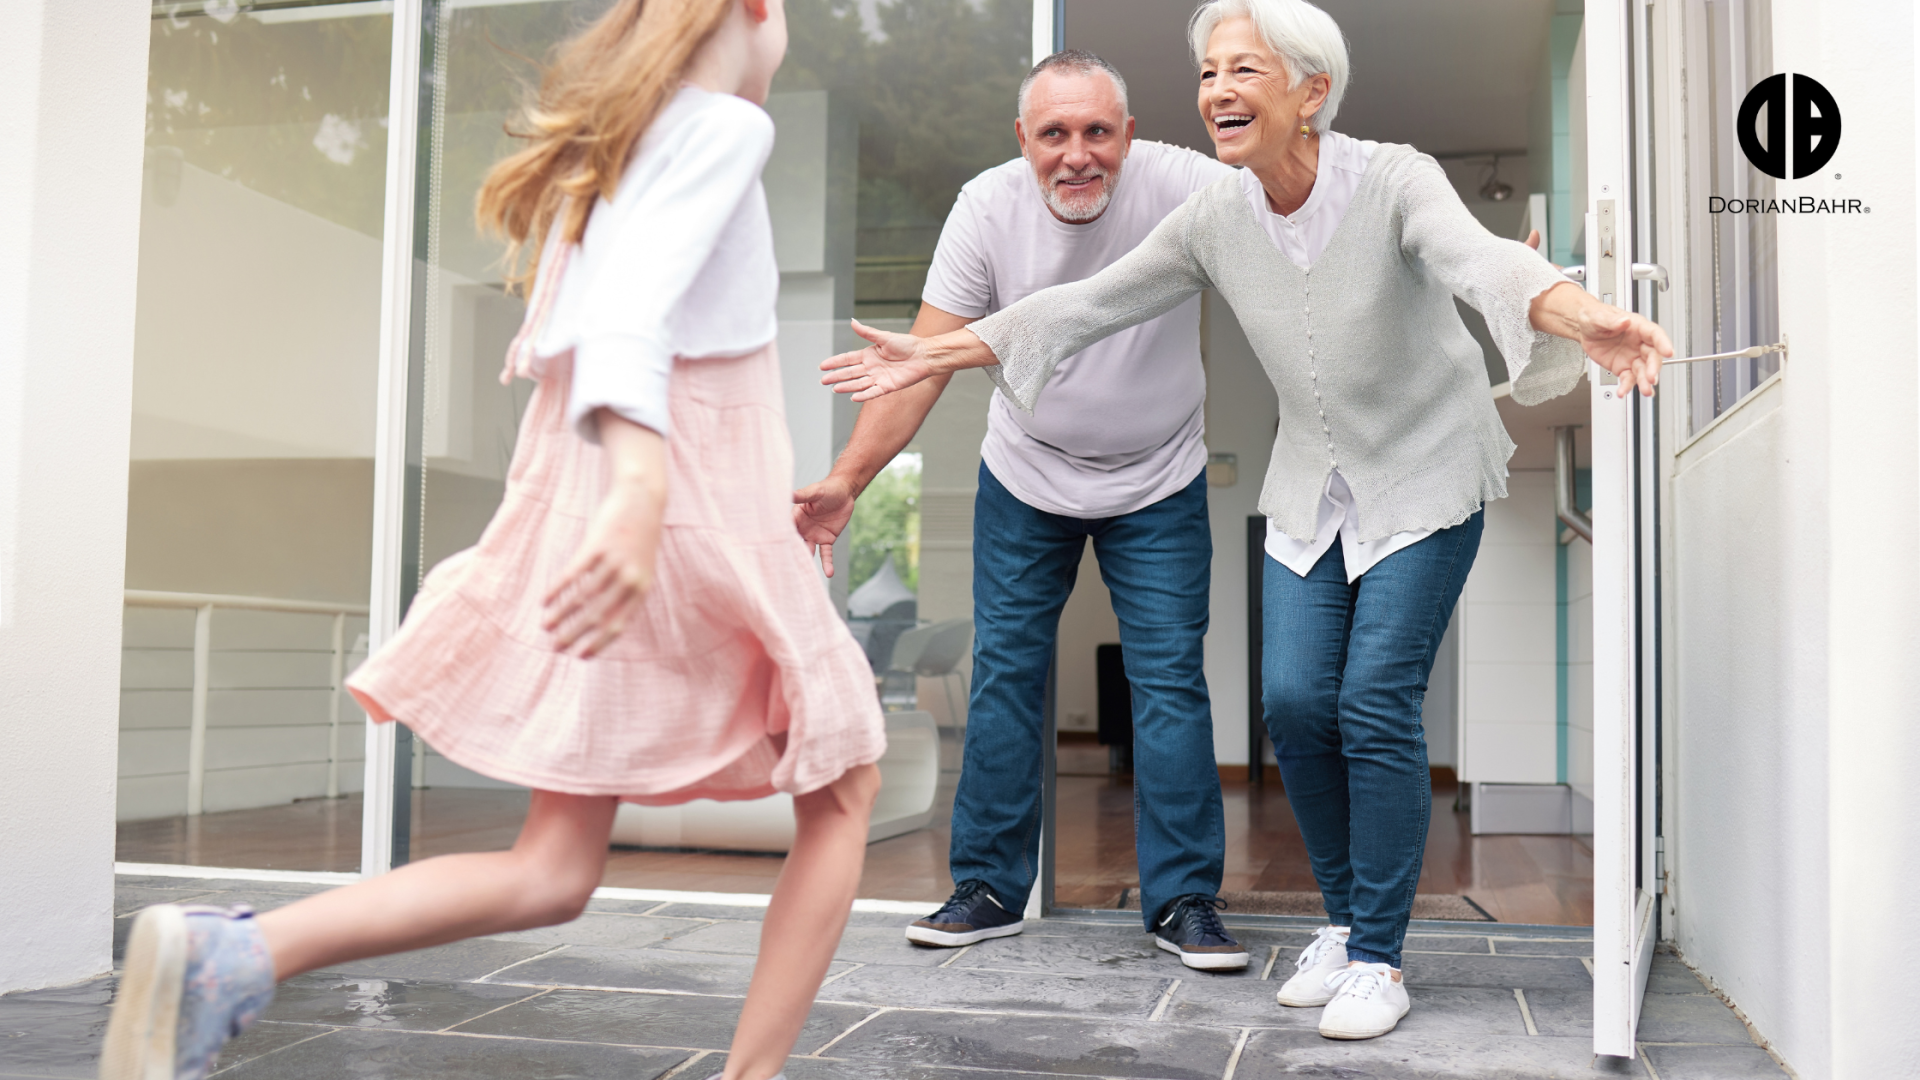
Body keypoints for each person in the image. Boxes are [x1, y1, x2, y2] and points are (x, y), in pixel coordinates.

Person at [819, 0, 1671, 1042]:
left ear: (1312, 92)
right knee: (1294, 704)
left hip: (1402, 473)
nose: (1219, 89)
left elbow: (1479, 260)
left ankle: (1363, 950)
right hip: (1278, 481)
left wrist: (1579, 310)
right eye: (1209, 72)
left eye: (1245, 70)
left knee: (1361, 701)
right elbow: (1080, 307)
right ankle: (1327, 917)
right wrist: (932, 352)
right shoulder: (1202, 215)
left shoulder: (1373, 179)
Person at [98, 3, 884, 1079]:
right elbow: (625, 322)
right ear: (756, 6)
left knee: (554, 870)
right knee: (846, 787)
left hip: (606, 511)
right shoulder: (724, 126)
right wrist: (650, 490)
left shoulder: (620, 145)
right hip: (667, 519)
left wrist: (638, 490)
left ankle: (233, 954)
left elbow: (593, 327)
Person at [792, 49, 1250, 971]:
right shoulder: (986, 208)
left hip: (1159, 475)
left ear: (1128, 134)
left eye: (1096, 133)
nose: (1076, 155)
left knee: (1167, 683)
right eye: (1054, 134)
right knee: (1005, 673)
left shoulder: (1185, 184)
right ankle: (991, 888)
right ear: (1022, 140)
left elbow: (1300, 208)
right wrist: (848, 479)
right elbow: (917, 367)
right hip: (1027, 471)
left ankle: (1184, 901)